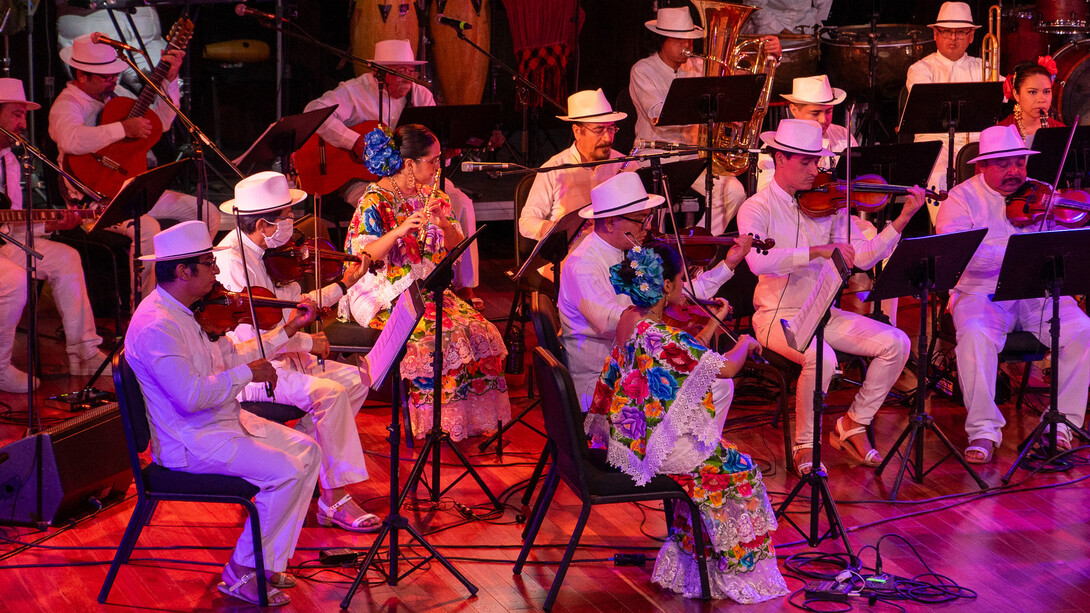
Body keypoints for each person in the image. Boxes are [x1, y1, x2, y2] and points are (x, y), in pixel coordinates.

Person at [125, 221, 322, 606]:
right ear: (184, 271)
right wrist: (248, 373)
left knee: (308, 452)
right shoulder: (157, 327)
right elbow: (190, 396)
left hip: (222, 423)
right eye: (209, 263)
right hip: (191, 441)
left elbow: (234, 359)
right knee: (284, 472)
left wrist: (283, 334)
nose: (217, 272)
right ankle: (242, 571)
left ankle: (267, 562)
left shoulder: (192, 310)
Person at [584, 242, 788, 603]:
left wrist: (711, 324)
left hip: (633, 435)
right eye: (681, 280)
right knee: (740, 470)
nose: (684, 287)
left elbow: (684, 358)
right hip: (656, 447)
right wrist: (744, 343)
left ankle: (694, 567)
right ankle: (735, 574)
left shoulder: (632, 319)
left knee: (721, 459)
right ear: (663, 286)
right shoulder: (663, 336)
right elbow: (724, 368)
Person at [737, 119, 925, 475]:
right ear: (780, 158)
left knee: (897, 343)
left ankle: (854, 422)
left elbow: (865, 256)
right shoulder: (757, 207)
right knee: (820, 357)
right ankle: (805, 444)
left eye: (817, 162)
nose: (815, 171)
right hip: (777, 317)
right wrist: (817, 251)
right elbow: (758, 261)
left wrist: (901, 220)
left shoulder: (832, 204)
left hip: (825, 312)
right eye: (805, 162)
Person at [214, 171, 377, 532]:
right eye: (287, 217)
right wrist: (306, 342)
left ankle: (301, 462)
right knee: (331, 395)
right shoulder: (231, 262)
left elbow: (296, 308)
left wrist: (344, 284)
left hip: (284, 356)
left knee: (356, 379)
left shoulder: (272, 253)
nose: (294, 224)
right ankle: (335, 499)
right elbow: (254, 334)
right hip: (254, 369)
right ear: (262, 224)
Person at [340, 123, 510, 440]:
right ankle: (434, 425)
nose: (438, 167)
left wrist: (443, 223)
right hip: (384, 292)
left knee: (481, 330)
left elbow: (458, 243)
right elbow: (362, 258)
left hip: (425, 289)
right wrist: (398, 231)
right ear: (409, 164)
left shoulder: (432, 195)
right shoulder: (373, 201)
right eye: (432, 161)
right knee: (441, 339)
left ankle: (466, 422)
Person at [935, 125, 1090, 463]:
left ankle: (1060, 425)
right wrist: (1016, 249)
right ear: (981, 167)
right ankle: (983, 430)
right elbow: (962, 257)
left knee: (1083, 331)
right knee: (975, 335)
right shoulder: (959, 201)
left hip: (1038, 292)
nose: (1015, 172)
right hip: (981, 294)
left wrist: (1068, 221)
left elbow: (1062, 244)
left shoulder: (1041, 194)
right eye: (1004, 165)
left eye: (1020, 163)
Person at [304, 39, 481, 308]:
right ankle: (397, 280)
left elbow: (428, 144)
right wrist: (353, 141)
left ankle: (462, 284)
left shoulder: (421, 94)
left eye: (410, 71)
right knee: (383, 206)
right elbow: (313, 111)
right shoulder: (355, 91)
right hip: (359, 178)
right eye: (399, 71)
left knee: (461, 202)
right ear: (379, 72)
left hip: (415, 174)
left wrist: (443, 153)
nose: (407, 78)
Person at [559, 171, 751, 411]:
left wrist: (728, 265)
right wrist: (667, 327)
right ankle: (674, 449)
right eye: (640, 220)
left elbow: (677, 291)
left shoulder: (629, 251)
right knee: (717, 385)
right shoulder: (583, 265)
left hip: (634, 363)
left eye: (648, 218)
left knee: (715, 383)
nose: (647, 227)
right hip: (603, 381)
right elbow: (608, 321)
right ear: (609, 222)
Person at [48, 34, 221, 295]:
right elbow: (72, 141)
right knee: (147, 227)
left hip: (130, 187)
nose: (113, 80)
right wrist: (122, 128)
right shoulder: (67, 105)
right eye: (105, 77)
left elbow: (160, 123)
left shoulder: (116, 94)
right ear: (82, 75)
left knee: (207, 212)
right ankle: (143, 307)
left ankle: (189, 285)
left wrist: (170, 80)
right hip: (94, 202)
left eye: (114, 75)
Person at [629, 7, 780, 234]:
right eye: (680, 40)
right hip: (656, 157)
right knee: (651, 221)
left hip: (694, 157)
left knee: (734, 193)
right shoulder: (642, 70)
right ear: (662, 40)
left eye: (690, 41)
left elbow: (747, 84)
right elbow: (659, 115)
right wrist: (715, 112)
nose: (687, 47)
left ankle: (696, 245)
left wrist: (772, 58)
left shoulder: (701, 67)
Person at [0, 78, 108, 384]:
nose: (22, 123)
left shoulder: (11, 159)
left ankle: (83, 354)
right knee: (13, 281)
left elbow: (12, 220)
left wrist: (51, 223)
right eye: (15, 115)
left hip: (6, 240)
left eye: (24, 115)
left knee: (66, 257)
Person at [905, 1, 984, 222]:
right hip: (936, 145)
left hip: (975, 147)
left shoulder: (984, 66)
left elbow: (1010, 92)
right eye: (947, 31)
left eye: (960, 32)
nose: (952, 38)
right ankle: (946, 230)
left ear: (971, 36)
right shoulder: (920, 69)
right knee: (938, 175)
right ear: (936, 34)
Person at [518, 88, 630, 242]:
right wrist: (552, 228)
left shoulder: (626, 165)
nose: (607, 138)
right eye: (599, 130)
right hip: (570, 257)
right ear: (577, 131)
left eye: (611, 129)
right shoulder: (554, 168)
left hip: (615, 258)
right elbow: (527, 220)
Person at [755, 75, 854, 191]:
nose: (823, 120)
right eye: (815, 113)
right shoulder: (775, 146)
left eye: (828, 111)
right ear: (794, 110)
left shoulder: (843, 135)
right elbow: (768, 196)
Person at [998, 57, 1064, 146]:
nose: (1041, 99)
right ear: (1016, 95)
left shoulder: (1061, 131)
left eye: (1047, 92)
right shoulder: (1000, 133)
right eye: (1033, 92)